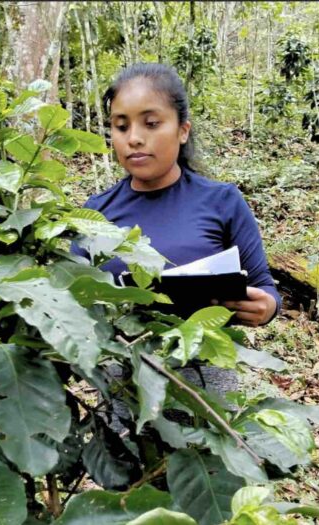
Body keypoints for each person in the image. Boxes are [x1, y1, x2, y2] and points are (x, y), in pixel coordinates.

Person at [72, 63, 281, 399]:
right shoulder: (96, 213)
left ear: (182, 130)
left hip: (206, 391)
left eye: (151, 124)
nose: (134, 138)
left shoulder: (222, 202)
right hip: (122, 391)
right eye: (120, 126)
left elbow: (265, 289)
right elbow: (69, 296)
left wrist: (266, 307)